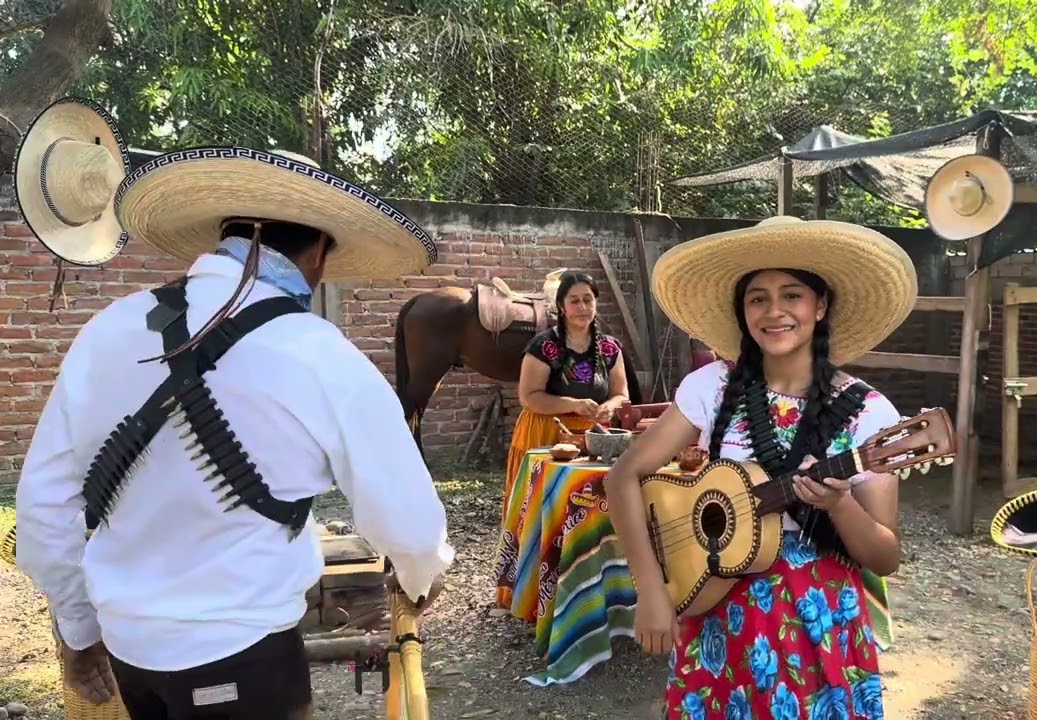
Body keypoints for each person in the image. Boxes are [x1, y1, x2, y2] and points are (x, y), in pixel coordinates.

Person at [15, 131, 454, 720]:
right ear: (318, 254)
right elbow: (412, 526)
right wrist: (423, 577)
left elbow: (42, 510)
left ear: (223, 235)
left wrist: (79, 629)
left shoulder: (108, 330)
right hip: (245, 656)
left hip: (129, 654)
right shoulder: (319, 352)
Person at [604, 216, 918, 720]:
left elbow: (884, 557)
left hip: (817, 621)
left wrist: (839, 505)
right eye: (757, 298)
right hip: (715, 604)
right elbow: (622, 477)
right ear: (743, 311)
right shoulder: (712, 386)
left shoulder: (868, 413)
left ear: (821, 305)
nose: (774, 311)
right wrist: (652, 590)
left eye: (792, 295)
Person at [504, 270, 630, 487]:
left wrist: (610, 406)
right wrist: (573, 404)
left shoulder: (610, 348)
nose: (582, 307)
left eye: (588, 300)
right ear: (562, 306)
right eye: (574, 301)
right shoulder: (543, 346)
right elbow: (529, 397)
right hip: (545, 434)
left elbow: (621, 394)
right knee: (543, 497)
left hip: (593, 439)